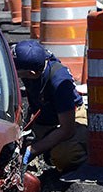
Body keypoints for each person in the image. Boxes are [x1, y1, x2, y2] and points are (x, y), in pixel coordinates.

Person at [12, 39, 88, 175]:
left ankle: (82, 160)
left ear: (32, 73)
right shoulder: (34, 60)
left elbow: (67, 129)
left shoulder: (59, 82)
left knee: (64, 156)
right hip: (45, 116)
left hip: (70, 118)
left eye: (18, 72)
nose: (15, 73)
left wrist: (33, 150)